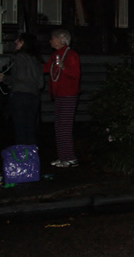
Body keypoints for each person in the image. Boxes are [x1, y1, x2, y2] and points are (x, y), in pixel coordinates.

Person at [44, 29, 81, 167]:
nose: (50, 41)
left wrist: (64, 68)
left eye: (53, 38)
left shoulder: (70, 55)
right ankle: (63, 156)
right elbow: (46, 68)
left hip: (68, 95)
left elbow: (75, 75)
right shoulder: (56, 55)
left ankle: (70, 158)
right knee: (59, 126)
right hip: (59, 95)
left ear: (61, 40)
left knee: (64, 127)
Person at [0, 34, 45, 145]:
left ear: (25, 43)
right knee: (30, 128)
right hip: (33, 96)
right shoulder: (36, 59)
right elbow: (40, 83)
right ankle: (31, 156)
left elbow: (20, 77)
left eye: (19, 41)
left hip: (20, 96)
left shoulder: (20, 57)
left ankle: (22, 158)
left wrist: (5, 78)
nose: (15, 41)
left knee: (20, 129)